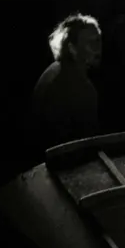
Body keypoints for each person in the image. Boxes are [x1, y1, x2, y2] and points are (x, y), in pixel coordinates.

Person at [28, 15, 101, 154]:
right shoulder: (79, 86)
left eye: (98, 40)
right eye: (91, 43)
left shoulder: (56, 69)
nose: (98, 49)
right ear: (72, 48)